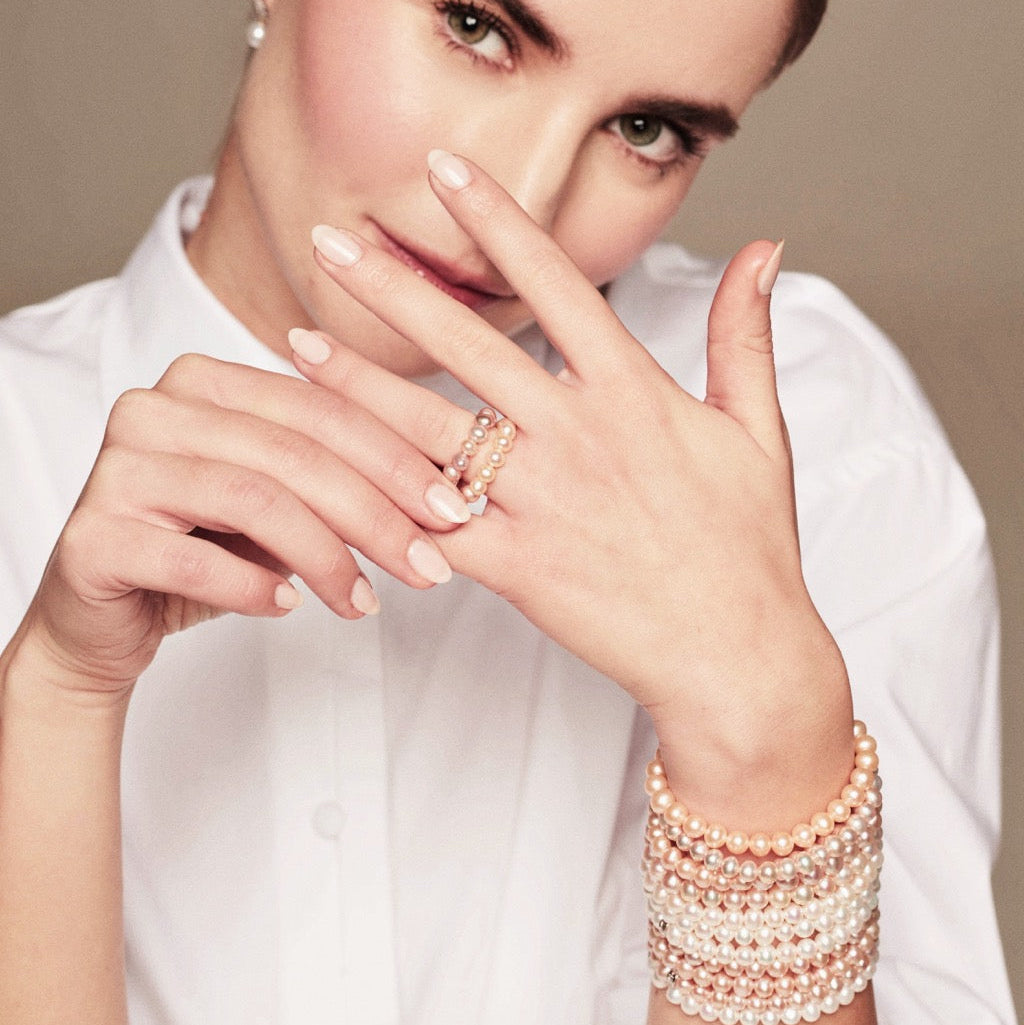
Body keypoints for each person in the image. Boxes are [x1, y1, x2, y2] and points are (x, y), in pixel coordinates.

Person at [0, 0, 1015, 1022]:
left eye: (647, 129)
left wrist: (762, 747)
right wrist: (54, 696)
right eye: (478, 28)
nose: (522, 198)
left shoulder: (806, 442)